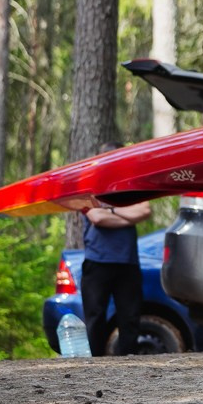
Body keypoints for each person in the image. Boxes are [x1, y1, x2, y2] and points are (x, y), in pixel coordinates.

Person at [80, 142, 151, 356]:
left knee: (130, 318)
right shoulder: (89, 185)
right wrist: (127, 215)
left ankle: (128, 364)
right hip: (97, 261)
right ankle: (95, 364)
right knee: (95, 318)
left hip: (127, 261)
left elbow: (145, 211)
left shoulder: (132, 185)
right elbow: (97, 217)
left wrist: (111, 209)